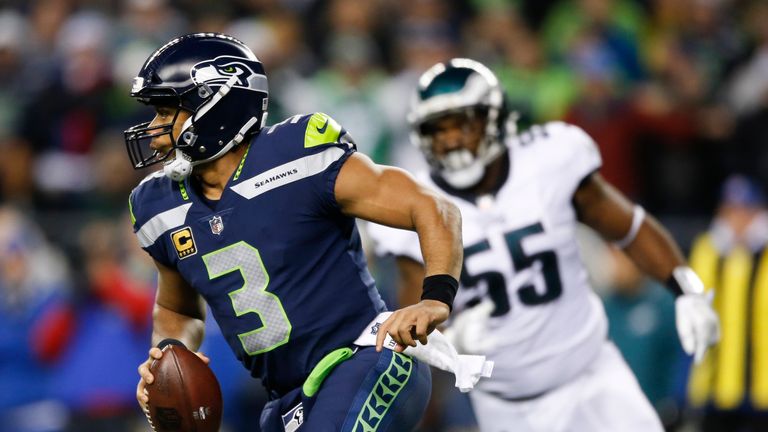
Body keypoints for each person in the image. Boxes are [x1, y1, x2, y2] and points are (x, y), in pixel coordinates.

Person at [125, 33, 464, 431]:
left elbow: (432, 207)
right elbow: (177, 309)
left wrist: (436, 298)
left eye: (167, 112)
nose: (154, 126)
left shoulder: (299, 153)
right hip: (287, 399)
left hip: (364, 359)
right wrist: (167, 356)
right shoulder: (157, 205)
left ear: (215, 103)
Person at [367, 58, 720, 432]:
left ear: (494, 117)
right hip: (506, 407)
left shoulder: (550, 158)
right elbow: (413, 324)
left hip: (593, 378)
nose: (450, 139)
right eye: (438, 129)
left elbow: (629, 226)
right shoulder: (415, 204)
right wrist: (450, 338)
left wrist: (687, 290)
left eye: (462, 124)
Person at [687, 175, 768, 432]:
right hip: (714, 390)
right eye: (730, 211)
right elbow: (694, 313)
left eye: (745, 211)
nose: (737, 220)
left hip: (762, 392)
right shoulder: (707, 251)